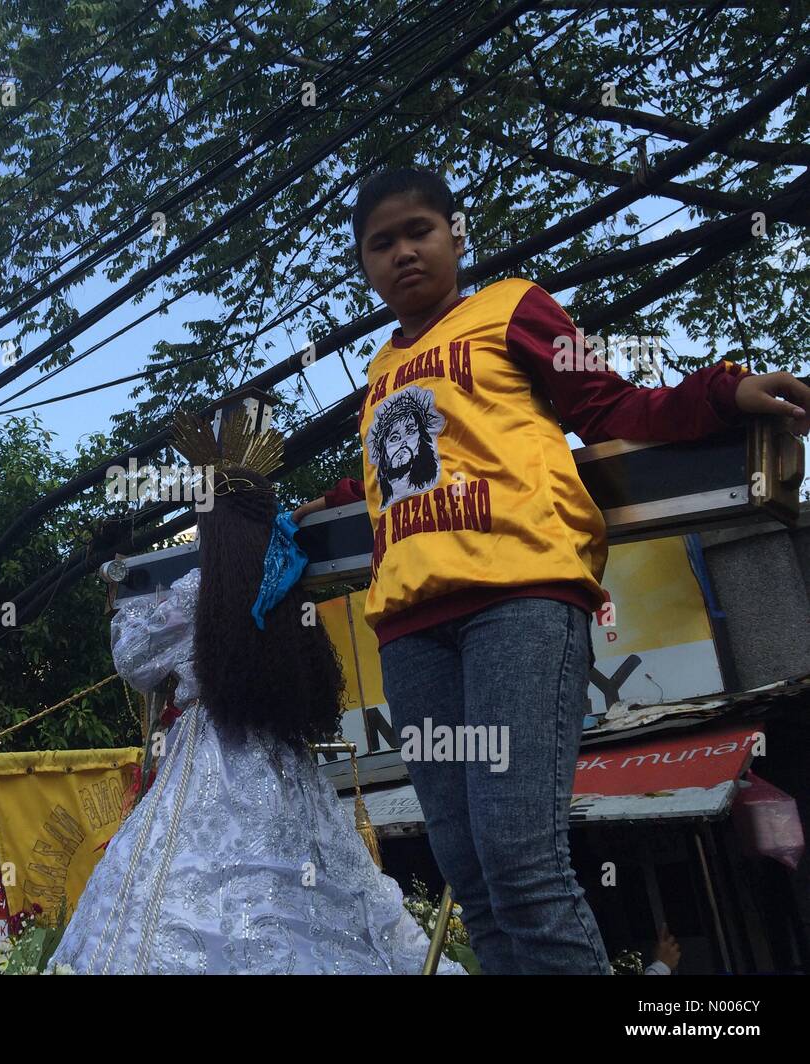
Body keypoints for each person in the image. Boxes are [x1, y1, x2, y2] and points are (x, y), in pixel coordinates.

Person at [293, 166, 810, 975]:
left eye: (418, 232)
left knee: (523, 866)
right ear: (364, 264)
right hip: (411, 633)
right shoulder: (380, 372)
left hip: (519, 601)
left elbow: (610, 405)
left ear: (456, 234)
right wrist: (296, 516)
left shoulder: (513, 308)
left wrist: (723, 391)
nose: (403, 254)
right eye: (380, 244)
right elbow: (379, 486)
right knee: (474, 880)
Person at [47, 412, 465, 975]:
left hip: (204, 754)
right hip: (284, 761)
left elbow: (134, 661)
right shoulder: (290, 585)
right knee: (318, 889)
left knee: (166, 892)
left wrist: (126, 599)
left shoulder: (198, 594)